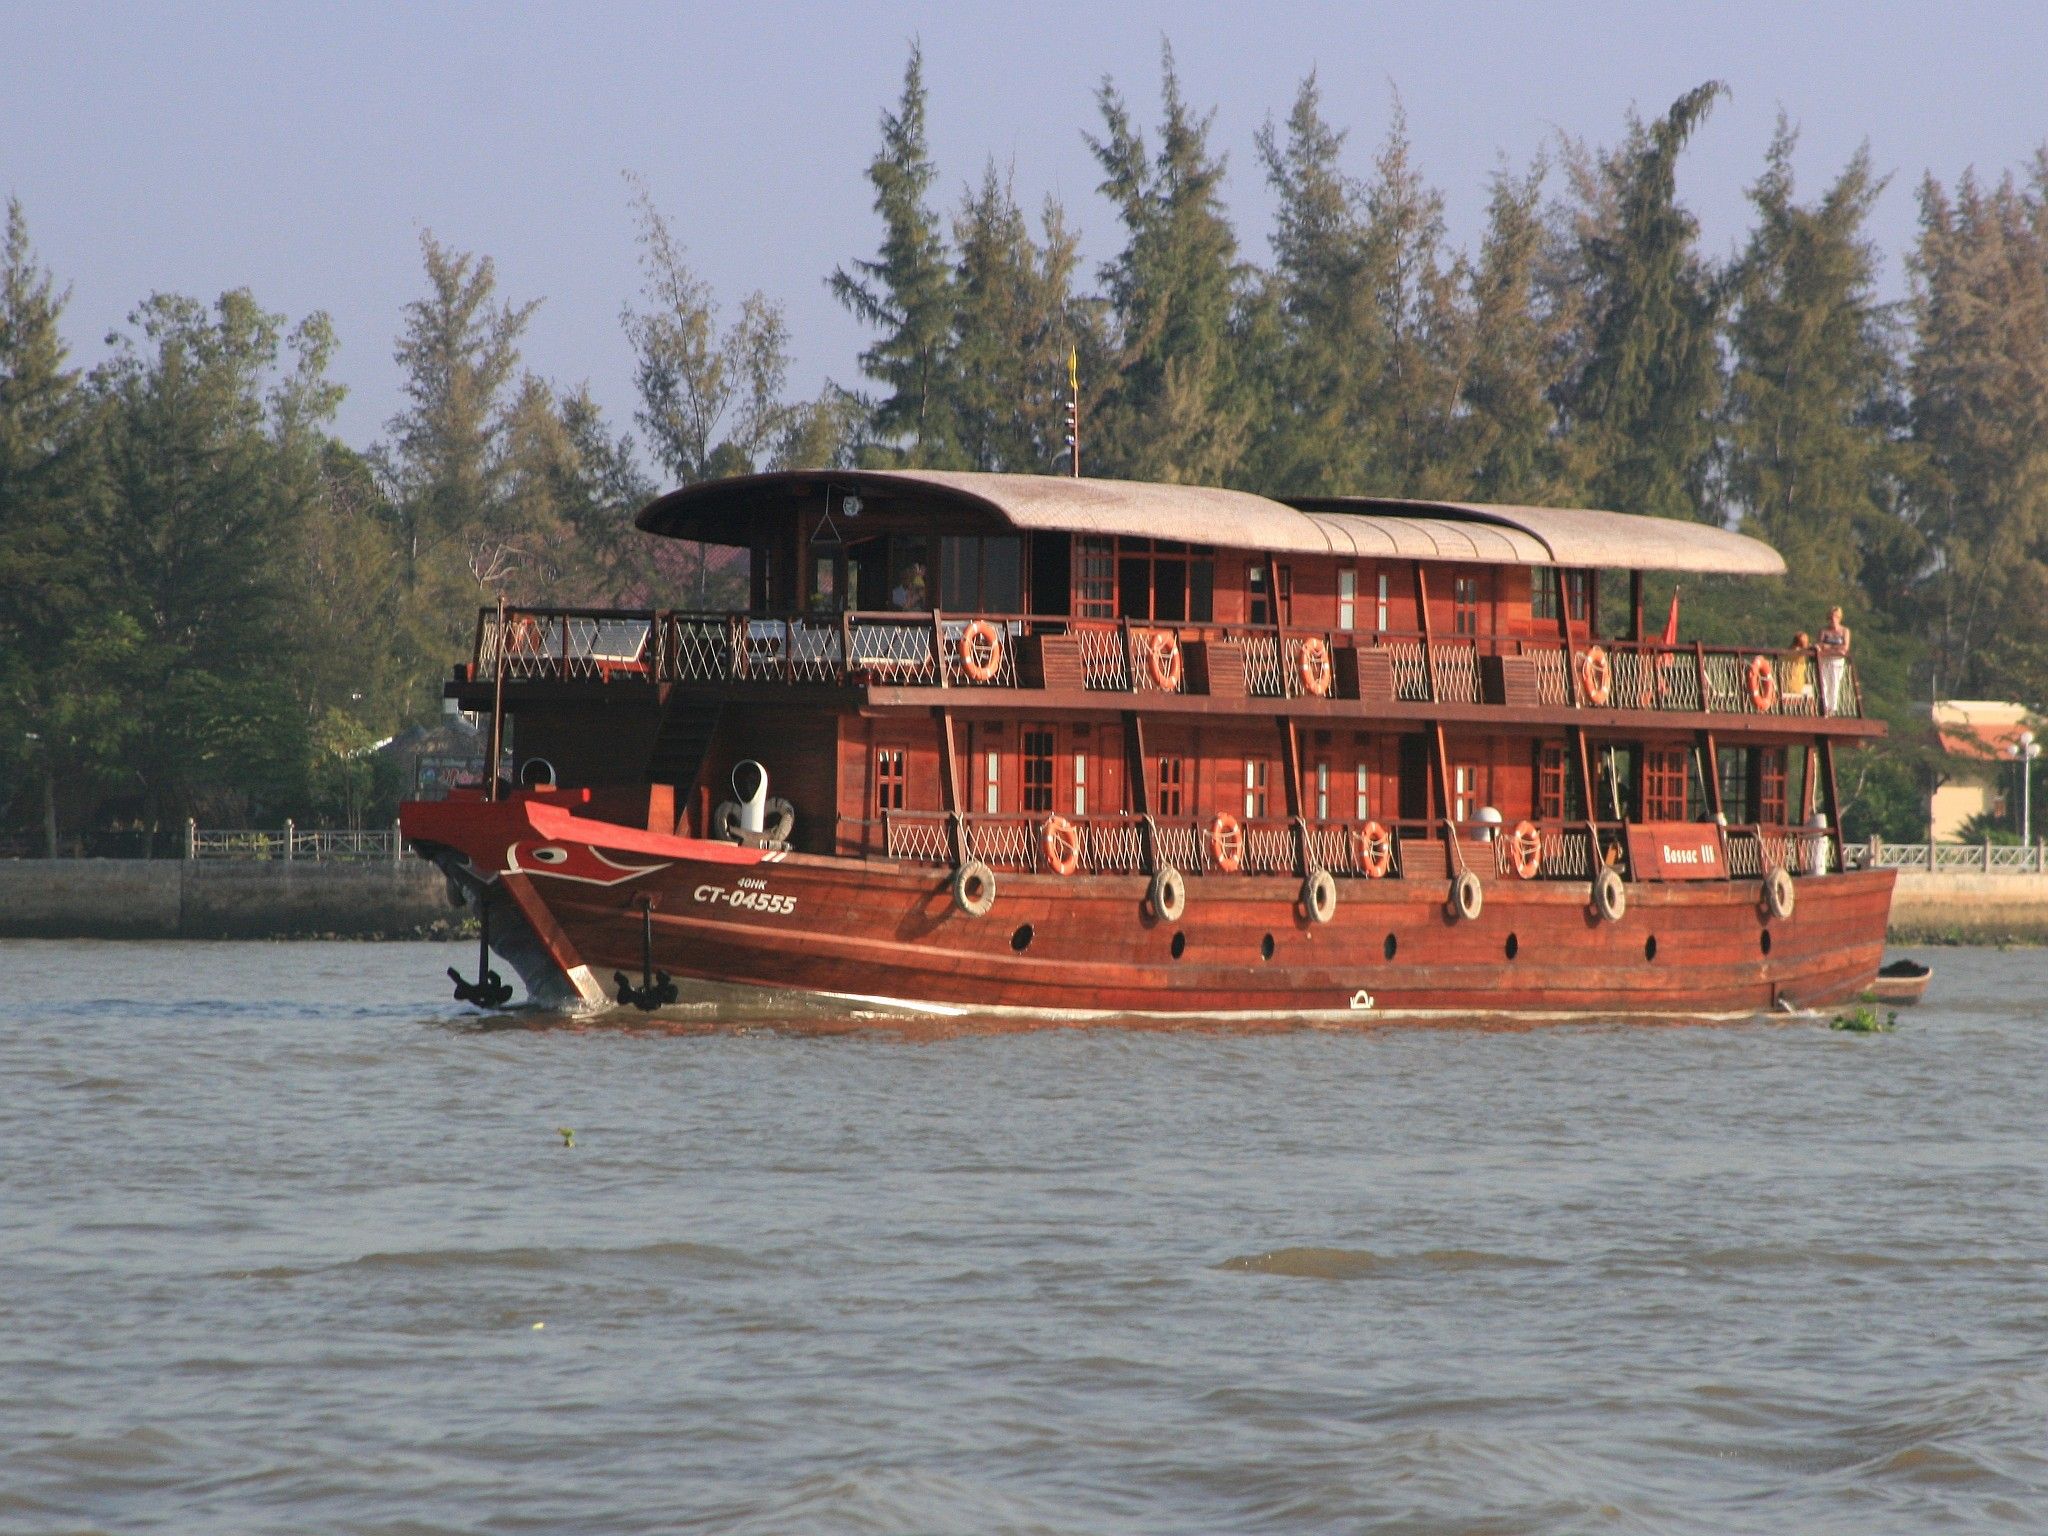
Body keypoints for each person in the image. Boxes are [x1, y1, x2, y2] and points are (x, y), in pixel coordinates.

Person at [1817, 606, 1852, 715]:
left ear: (1839, 618)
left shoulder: (1844, 631)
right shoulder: (1824, 631)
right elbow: (1820, 645)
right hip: (1825, 660)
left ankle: (1832, 709)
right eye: (1831, 617)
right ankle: (1824, 708)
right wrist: (1835, 647)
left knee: (1835, 684)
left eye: (1835, 617)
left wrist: (1829, 647)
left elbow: (1845, 647)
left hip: (1837, 661)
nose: (1833, 620)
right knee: (1824, 684)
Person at [1784, 631, 1814, 712]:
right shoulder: (1798, 653)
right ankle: (1813, 718)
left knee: (1809, 690)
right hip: (1794, 686)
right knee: (1811, 693)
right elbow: (1806, 650)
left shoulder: (1787, 651)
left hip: (1785, 683)